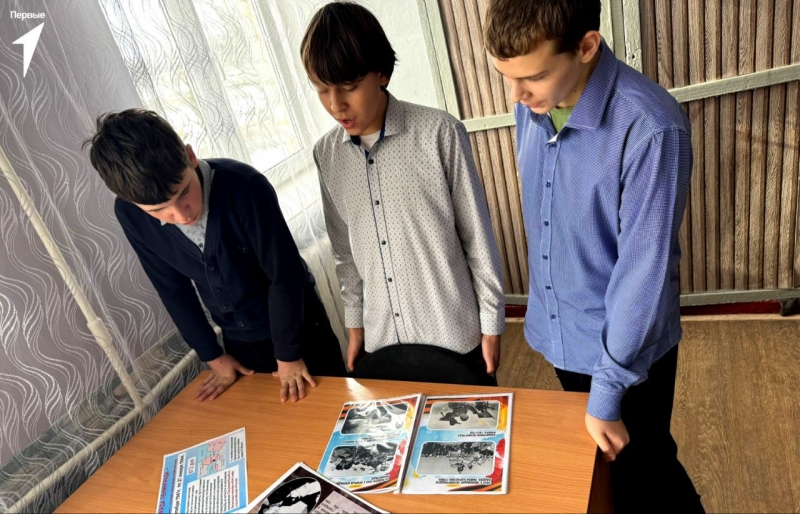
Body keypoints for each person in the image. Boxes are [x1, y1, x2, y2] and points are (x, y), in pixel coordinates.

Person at [483, 0, 704, 511]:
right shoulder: (531, 104)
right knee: (603, 474)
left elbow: (643, 275)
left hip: (625, 352)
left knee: (648, 470)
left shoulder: (651, 126)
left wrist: (607, 394)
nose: (515, 95)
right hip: (564, 335)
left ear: (586, 47)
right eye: (506, 77)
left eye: (533, 77)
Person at [300, 2, 505, 385]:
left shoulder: (439, 133)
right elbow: (345, 252)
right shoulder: (326, 155)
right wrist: (356, 325)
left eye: (348, 87)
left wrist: (492, 322)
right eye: (322, 90)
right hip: (383, 343)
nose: (335, 105)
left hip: (453, 333)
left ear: (382, 73)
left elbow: (478, 236)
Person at [83, 109, 346, 403]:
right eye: (159, 211)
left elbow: (284, 275)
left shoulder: (244, 186)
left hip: (298, 325)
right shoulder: (131, 214)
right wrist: (213, 355)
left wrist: (288, 355)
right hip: (238, 340)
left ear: (190, 157)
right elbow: (172, 289)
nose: (181, 214)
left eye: (184, 192)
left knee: (332, 406)